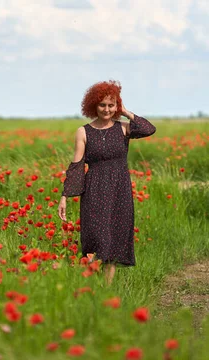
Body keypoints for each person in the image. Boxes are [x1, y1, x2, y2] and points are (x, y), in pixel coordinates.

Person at [57, 80, 156, 285]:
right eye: (102, 105)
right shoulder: (83, 132)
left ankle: (106, 290)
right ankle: (88, 284)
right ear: (94, 105)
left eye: (112, 105)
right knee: (96, 239)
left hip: (120, 190)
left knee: (113, 242)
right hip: (94, 191)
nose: (107, 109)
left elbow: (149, 129)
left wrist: (126, 111)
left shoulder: (123, 129)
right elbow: (76, 166)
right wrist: (64, 197)